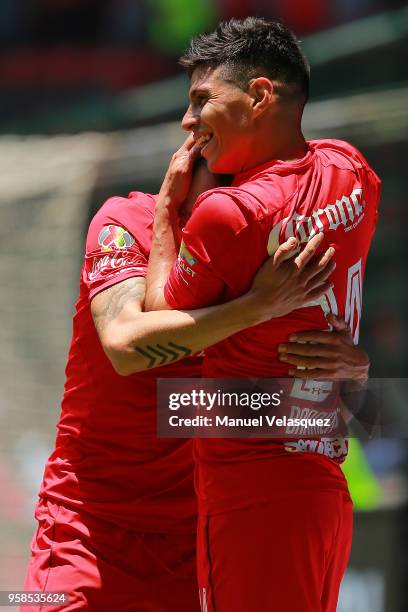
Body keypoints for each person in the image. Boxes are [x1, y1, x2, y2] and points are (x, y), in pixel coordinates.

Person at [23, 157, 359, 611]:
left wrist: (353, 371)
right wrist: (257, 307)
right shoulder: (124, 222)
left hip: (195, 547)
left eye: (247, 183)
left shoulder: (266, 260)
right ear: (185, 166)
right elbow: (124, 347)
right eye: (221, 178)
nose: (233, 196)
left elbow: (267, 410)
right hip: (87, 531)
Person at [145, 17, 381, 612]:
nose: (187, 121)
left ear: (259, 97)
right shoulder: (352, 171)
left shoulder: (229, 214)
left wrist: (165, 213)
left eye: (202, 100)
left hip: (253, 489)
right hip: (323, 479)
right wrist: (355, 364)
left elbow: (153, 329)